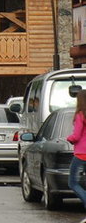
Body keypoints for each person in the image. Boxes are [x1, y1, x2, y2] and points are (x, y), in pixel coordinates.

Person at [67, 89, 86, 218]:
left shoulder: (80, 115)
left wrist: (69, 138)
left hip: (81, 154)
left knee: (73, 182)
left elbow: (77, 135)